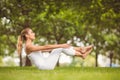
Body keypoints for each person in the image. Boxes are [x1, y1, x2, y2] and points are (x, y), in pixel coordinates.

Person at [17, 28, 93, 70]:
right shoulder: (28, 46)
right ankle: (81, 53)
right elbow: (45, 47)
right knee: (59, 48)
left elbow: (45, 50)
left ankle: (81, 50)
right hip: (45, 67)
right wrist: (61, 45)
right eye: (32, 32)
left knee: (60, 48)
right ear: (27, 35)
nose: (34, 34)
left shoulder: (29, 45)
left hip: (45, 64)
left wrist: (63, 46)